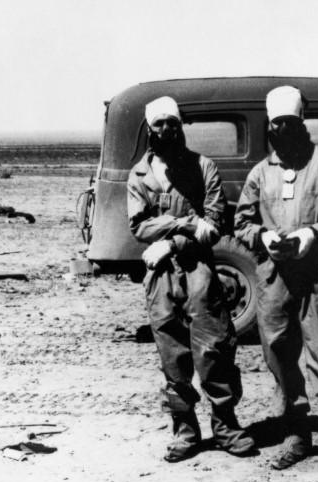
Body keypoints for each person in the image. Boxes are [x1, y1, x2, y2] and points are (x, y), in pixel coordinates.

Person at [233, 85, 318, 478]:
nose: (283, 130)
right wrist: (263, 237)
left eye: (290, 123)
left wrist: (313, 234)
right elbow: (241, 221)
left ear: (301, 123)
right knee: (278, 354)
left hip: (314, 276)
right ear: (269, 127)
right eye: (277, 124)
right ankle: (296, 433)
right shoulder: (261, 173)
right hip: (273, 279)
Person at [127, 96, 255, 463]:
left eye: (172, 123)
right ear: (149, 129)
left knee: (214, 349)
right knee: (172, 355)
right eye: (158, 124)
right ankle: (185, 431)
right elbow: (138, 226)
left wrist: (168, 242)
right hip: (161, 277)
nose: (166, 130)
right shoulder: (139, 176)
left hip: (199, 270)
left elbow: (214, 224)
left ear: (181, 126)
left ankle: (227, 426)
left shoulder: (203, 168)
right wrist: (184, 223)